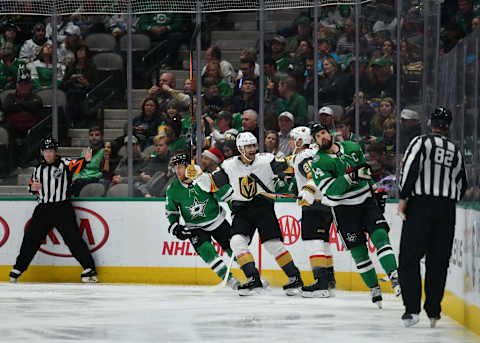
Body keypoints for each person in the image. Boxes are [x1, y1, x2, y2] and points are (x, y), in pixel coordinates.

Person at [187, 132, 305, 296]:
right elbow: (211, 185)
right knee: (236, 242)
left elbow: (289, 166)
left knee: (273, 244)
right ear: (240, 148)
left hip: (263, 207)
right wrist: (199, 176)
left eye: (253, 145)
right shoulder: (229, 165)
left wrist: (304, 156)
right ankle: (253, 278)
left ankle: (295, 277)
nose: (251, 149)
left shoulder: (266, 160)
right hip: (241, 209)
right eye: (247, 146)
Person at [309, 122, 400, 308]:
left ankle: (395, 276)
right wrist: (350, 177)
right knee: (359, 251)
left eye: (324, 133)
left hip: (366, 202)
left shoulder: (352, 147)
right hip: (344, 210)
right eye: (318, 136)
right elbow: (332, 191)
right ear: (315, 141)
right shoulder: (318, 162)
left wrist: (374, 189)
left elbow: (364, 170)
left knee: (381, 236)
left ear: (330, 133)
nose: (322, 138)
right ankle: (374, 287)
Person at [397, 107, 467, 328]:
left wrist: (403, 197)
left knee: (409, 259)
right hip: (447, 209)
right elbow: (462, 183)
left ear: (430, 123)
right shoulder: (455, 149)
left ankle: (412, 310)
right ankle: (434, 311)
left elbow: (409, 169)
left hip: (421, 206)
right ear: (449, 126)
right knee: (439, 261)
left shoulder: (421, 142)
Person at [9, 136, 98, 283]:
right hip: (43, 209)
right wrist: (32, 188)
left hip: (62, 208)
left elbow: (76, 165)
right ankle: (18, 268)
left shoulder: (64, 163)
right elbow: (32, 187)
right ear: (42, 152)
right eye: (46, 151)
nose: (48, 154)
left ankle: (89, 268)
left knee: (73, 239)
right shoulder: (38, 168)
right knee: (30, 239)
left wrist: (85, 161)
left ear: (55, 152)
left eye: (51, 151)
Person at [165, 151, 240, 290]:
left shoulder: (204, 179)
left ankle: (252, 275)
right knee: (206, 250)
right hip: (194, 227)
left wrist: (237, 210)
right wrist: (176, 227)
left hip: (217, 220)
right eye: (176, 168)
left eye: (181, 167)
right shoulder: (173, 189)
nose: (178, 171)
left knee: (234, 248)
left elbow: (227, 195)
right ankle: (229, 279)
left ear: (189, 167)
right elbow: (172, 212)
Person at [289, 126, 335, 297]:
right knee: (323, 242)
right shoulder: (314, 153)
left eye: (293, 139)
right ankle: (329, 280)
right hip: (327, 203)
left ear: (301, 141)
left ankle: (321, 283)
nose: (290, 142)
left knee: (313, 241)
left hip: (314, 203)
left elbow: (314, 176)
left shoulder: (305, 156)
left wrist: (307, 190)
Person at [71, 126, 105, 197]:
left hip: (95, 178)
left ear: (102, 137)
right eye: (91, 135)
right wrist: (76, 176)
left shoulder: (104, 151)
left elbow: (103, 171)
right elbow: (78, 168)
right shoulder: (85, 151)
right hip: (82, 179)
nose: (94, 137)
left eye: (97, 135)